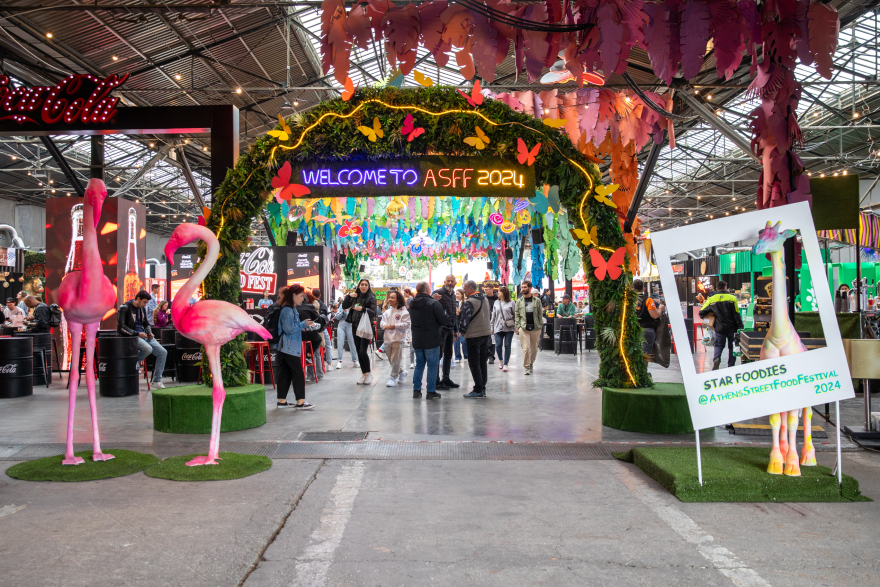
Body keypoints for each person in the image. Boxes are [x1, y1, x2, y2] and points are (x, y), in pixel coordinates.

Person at [116, 290, 167, 389]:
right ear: (138, 299)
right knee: (148, 349)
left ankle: (156, 380)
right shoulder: (125, 308)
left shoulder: (142, 309)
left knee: (163, 352)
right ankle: (133, 363)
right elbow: (121, 327)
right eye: (144, 302)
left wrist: (149, 332)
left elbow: (146, 323)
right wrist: (137, 333)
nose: (145, 305)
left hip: (143, 336)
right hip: (132, 336)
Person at [276, 284, 316, 409]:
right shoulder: (288, 310)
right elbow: (288, 329)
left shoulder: (290, 309)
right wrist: (303, 324)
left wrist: (302, 326)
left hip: (288, 346)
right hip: (288, 347)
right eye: (300, 296)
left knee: (285, 373)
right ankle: (300, 401)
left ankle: (281, 401)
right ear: (293, 295)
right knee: (298, 373)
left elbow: (290, 327)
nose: (302, 299)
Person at [408, 281, 449, 399]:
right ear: (427, 289)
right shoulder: (433, 303)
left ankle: (416, 390)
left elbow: (423, 304)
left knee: (419, 365)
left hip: (417, 339)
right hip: (431, 339)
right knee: (432, 365)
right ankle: (430, 391)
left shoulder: (412, 303)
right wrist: (447, 314)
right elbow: (443, 320)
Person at [699, 280, 743, 370]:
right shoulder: (732, 298)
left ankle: (716, 359)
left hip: (719, 327)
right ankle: (731, 365)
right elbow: (736, 314)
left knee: (719, 345)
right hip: (732, 327)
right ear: (725, 287)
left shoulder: (712, 299)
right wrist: (740, 327)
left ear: (717, 288)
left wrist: (712, 313)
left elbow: (701, 312)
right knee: (732, 346)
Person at [459, 280, 492, 398]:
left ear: (470, 288)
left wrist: (462, 332)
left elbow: (464, 321)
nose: (463, 290)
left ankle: (478, 389)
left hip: (474, 335)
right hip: (486, 334)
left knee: (474, 363)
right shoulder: (485, 299)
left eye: (464, 288)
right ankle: (482, 387)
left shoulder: (469, 302)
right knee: (483, 362)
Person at [341, 278, 377, 385]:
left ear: (368, 286)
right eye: (362, 284)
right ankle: (364, 374)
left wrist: (363, 309)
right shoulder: (355, 296)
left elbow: (374, 312)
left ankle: (369, 373)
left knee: (362, 351)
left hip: (365, 327)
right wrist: (348, 296)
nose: (364, 286)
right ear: (359, 285)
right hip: (355, 326)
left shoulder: (371, 297)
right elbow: (344, 306)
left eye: (366, 285)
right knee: (358, 351)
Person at [431, 275, 460, 390]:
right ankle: (436, 380)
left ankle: (446, 378)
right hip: (440, 329)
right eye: (448, 281)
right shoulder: (438, 293)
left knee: (448, 354)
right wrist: (432, 298)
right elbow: (430, 306)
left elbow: (454, 314)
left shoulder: (453, 295)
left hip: (450, 329)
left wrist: (456, 330)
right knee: (438, 355)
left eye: (452, 281)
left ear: (455, 283)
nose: (449, 283)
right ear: (444, 282)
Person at [380, 291, 410, 387]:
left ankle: (393, 377)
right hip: (387, 339)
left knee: (395, 359)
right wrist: (384, 325)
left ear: (398, 300)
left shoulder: (404, 312)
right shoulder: (387, 312)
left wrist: (396, 326)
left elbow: (407, 324)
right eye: (389, 297)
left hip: (398, 338)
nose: (390, 299)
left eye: (392, 298)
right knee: (391, 360)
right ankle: (402, 371)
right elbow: (382, 322)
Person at [514, 280, 543, 375]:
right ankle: (526, 367)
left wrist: (540, 326)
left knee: (534, 349)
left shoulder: (537, 301)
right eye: (522, 287)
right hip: (523, 328)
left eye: (525, 287)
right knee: (526, 348)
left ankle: (531, 363)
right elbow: (517, 314)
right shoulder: (519, 301)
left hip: (535, 328)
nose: (523, 289)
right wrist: (518, 326)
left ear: (530, 288)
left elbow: (540, 314)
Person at [634, 279, 665, 358]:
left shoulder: (629, 301)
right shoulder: (648, 300)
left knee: (634, 353)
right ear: (643, 289)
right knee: (645, 354)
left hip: (633, 330)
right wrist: (660, 309)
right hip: (646, 330)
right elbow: (654, 315)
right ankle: (643, 370)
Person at [298, 291, 325, 382]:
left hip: (296, 335)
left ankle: (307, 355)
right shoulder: (310, 307)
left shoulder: (294, 307)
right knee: (318, 339)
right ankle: (309, 354)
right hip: (308, 334)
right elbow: (317, 318)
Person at [491, 286, 515, 371]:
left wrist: (516, 325)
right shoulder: (496, 302)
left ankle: (506, 364)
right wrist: (492, 326)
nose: (498, 293)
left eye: (499, 291)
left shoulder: (511, 302)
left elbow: (514, 314)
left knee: (507, 345)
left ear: (504, 293)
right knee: (498, 345)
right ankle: (500, 360)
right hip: (498, 327)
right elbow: (493, 316)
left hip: (509, 327)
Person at [334, 295, 359, 370]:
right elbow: (338, 317)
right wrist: (342, 311)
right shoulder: (342, 305)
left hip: (350, 325)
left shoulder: (355, 306)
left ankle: (355, 360)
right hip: (341, 324)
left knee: (352, 343)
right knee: (340, 343)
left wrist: (346, 312)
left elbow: (353, 316)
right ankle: (339, 361)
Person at [313, 288, 334, 368]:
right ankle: (329, 364)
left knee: (314, 348)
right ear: (320, 295)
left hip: (312, 329)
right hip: (322, 328)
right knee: (328, 345)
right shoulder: (323, 305)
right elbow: (328, 316)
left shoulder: (310, 304)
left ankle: (313, 367)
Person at [483, 283, 498, 364]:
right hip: (485, 321)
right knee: (485, 340)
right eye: (484, 289)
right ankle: (486, 355)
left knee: (492, 340)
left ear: (492, 289)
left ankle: (491, 356)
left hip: (495, 322)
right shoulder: (483, 298)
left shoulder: (497, 299)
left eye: (487, 289)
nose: (485, 291)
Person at [453, 289, 469, 362]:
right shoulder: (453, 303)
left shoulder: (465, 304)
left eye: (458, 294)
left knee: (463, 341)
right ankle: (457, 357)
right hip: (455, 324)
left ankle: (466, 355)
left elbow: (467, 314)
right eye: (456, 294)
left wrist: (460, 312)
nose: (457, 295)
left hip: (463, 325)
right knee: (456, 341)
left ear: (462, 295)